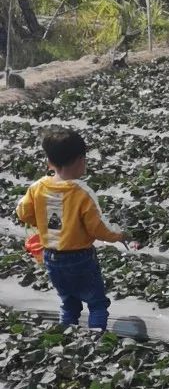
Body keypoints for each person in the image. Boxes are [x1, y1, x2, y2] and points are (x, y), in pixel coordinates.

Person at [16, 129, 125, 332]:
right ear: (80, 160)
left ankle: (67, 338)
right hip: (80, 258)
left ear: (49, 161)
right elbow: (99, 229)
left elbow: (23, 212)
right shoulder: (82, 192)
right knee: (97, 303)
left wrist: (40, 222)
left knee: (69, 303)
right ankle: (96, 339)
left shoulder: (37, 187)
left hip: (51, 258)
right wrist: (119, 235)